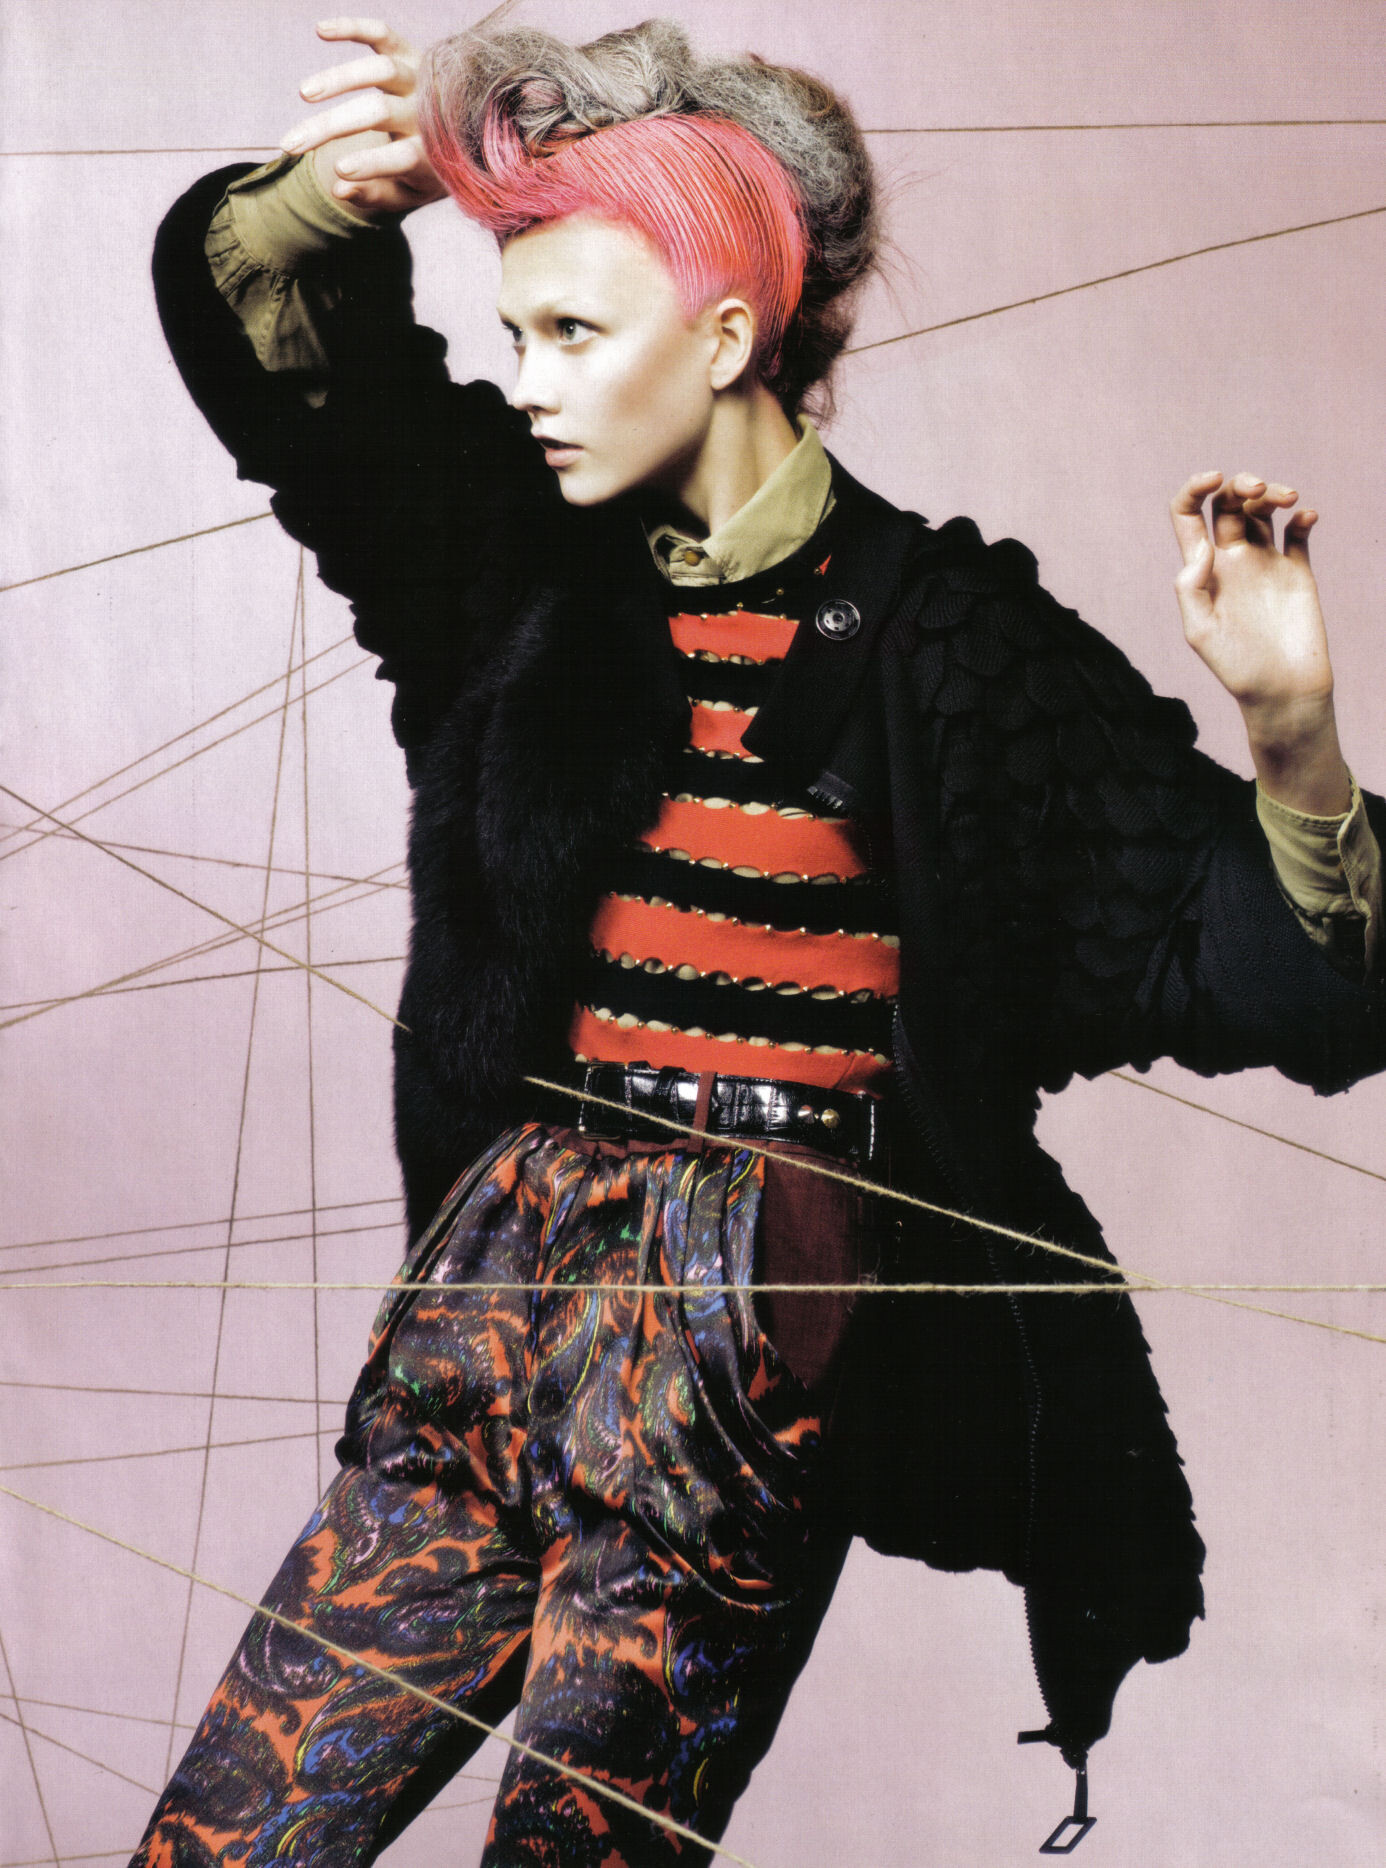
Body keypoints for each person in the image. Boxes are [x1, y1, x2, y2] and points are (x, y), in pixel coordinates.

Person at [134, 12, 1384, 1863]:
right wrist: (333, 198)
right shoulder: (511, 567)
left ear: (725, 338)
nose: (530, 384)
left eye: (575, 334)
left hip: (746, 1314)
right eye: (515, 336)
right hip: (491, 1286)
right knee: (223, 1837)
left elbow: (1279, 978)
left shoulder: (949, 643)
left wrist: (1289, 732)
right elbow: (287, 373)